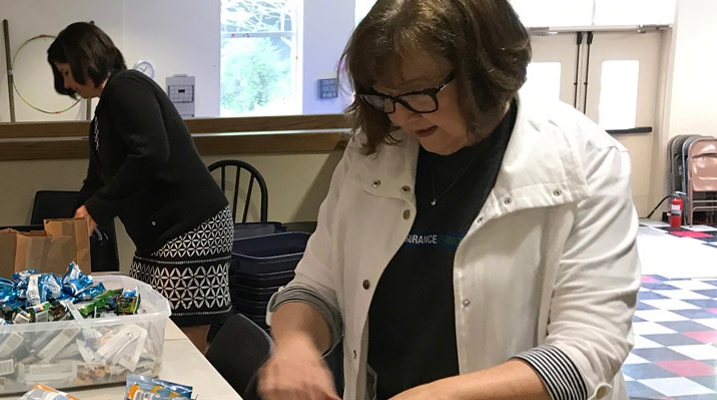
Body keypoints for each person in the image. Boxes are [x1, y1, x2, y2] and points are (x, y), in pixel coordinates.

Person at [257, 1, 641, 399]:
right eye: (384, 97)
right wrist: (296, 346)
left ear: (488, 72)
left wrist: (438, 396)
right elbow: (317, 287)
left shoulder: (585, 161)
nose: (400, 118)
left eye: (418, 94)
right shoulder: (374, 154)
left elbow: (590, 349)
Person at [47, 22, 234, 352]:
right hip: (160, 234)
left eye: (66, 72)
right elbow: (97, 180)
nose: (67, 83)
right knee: (144, 325)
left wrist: (98, 207)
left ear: (84, 59)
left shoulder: (127, 86)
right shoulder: (104, 112)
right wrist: (74, 220)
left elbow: (151, 152)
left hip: (191, 229)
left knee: (179, 337)